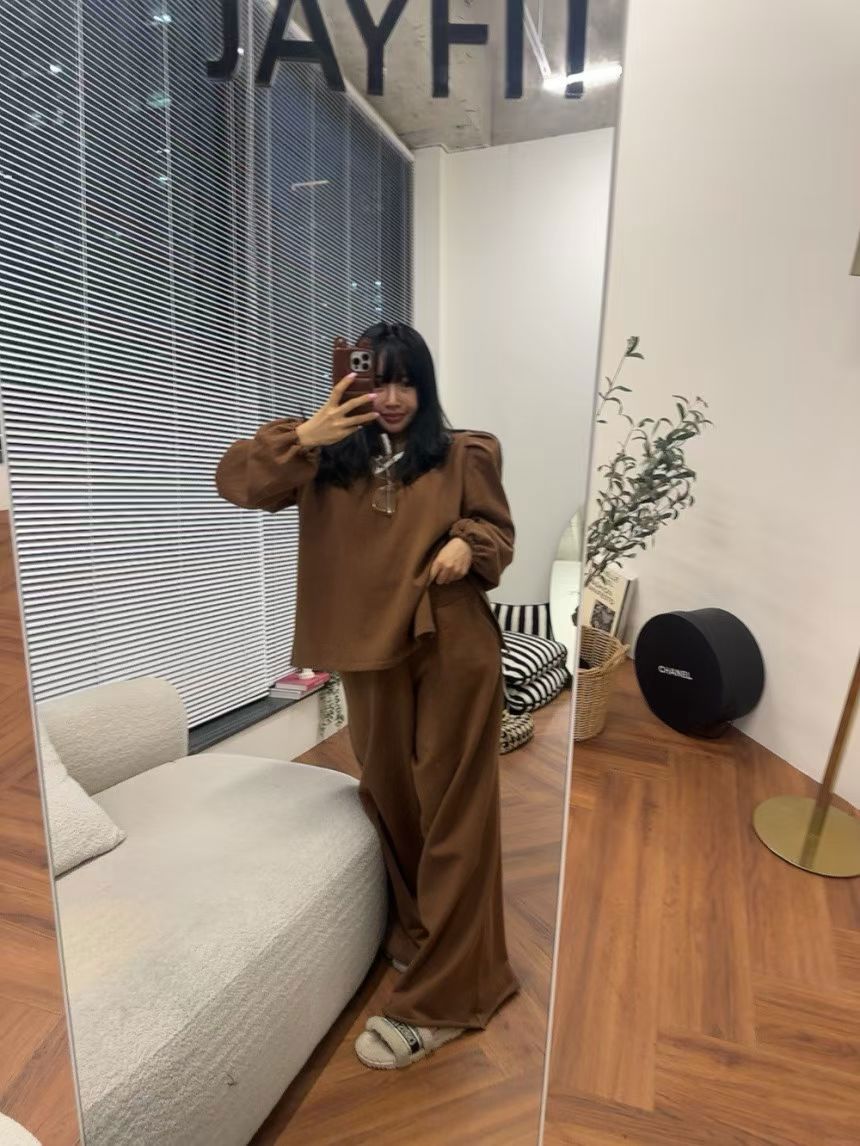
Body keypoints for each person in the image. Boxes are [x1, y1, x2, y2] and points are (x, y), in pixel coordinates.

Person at [215, 322, 519, 1069]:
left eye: (405, 380)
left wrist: (468, 542)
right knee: (391, 797)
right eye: (374, 380)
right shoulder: (316, 460)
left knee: (453, 811)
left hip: (449, 642)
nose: (391, 397)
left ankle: (451, 998)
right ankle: (426, 937)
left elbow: (496, 532)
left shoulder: (464, 452)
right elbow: (236, 484)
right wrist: (306, 436)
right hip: (367, 654)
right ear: (346, 383)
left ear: (426, 386)